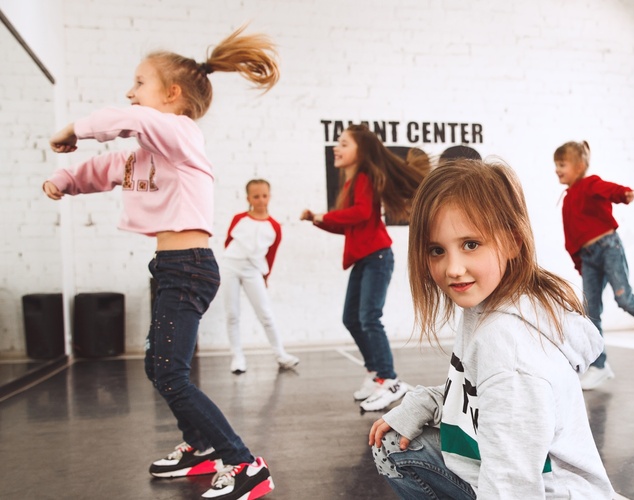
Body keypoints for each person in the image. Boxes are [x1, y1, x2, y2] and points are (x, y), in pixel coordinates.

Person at [43, 24, 280, 500]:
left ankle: (243, 463)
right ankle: (199, 446)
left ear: (173, 94)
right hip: (171, 268)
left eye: (139, 83)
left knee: (170, 371)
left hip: (190, 266)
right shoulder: (146, 155)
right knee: (158, 366)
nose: (130, 92)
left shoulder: (181, 134)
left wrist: (75, 128)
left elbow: (133, 121)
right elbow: (107, 167)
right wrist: (66, 179)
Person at [368, 159, 614, 498]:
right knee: (393, 441)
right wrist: (425, 402)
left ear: (512, 242)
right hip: (508, 480)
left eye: (470, 244)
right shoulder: (489, 303)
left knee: (395, 448)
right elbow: (476, 394)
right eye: (437, 250)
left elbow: (512, 484)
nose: (453, 269)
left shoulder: (509, 351)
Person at [300, 124, 426, 412]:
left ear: (362, 150)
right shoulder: (352, 182)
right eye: (338, 143)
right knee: (352, 318)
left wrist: (323, 215)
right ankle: (375, 372)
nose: (337, 148)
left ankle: (389, 379)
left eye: (344, 143)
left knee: (369, 317)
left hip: (377, 257)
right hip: (366, 258)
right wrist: (317, 219)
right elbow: (350, 224)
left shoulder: (364, 177)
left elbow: (361, 213)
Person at [553, 140, 634, 390]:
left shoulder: (589, 184)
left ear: (579, 166)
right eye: (556, 165)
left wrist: (624, 194)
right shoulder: (568, 200)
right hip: (588, 258)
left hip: (608, 248)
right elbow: (571, 237)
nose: (557, 170)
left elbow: (609, 190)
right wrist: (580, 264)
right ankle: (599, 366)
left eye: (562, 165)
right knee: (590, 311)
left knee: (623, 297)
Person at [222, 179, 299, 374]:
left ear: (269, 196)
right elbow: (228, 242)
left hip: (253, 270)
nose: (261, 200)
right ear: (248, 198)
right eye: (256, 197)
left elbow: (271, 255)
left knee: (265, 314)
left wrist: (265, 276)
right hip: (231, 266)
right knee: (232, 314)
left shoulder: (274, 226)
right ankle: (237, 357)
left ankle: (280, 354)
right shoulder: (239, 219)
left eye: (264, 196)